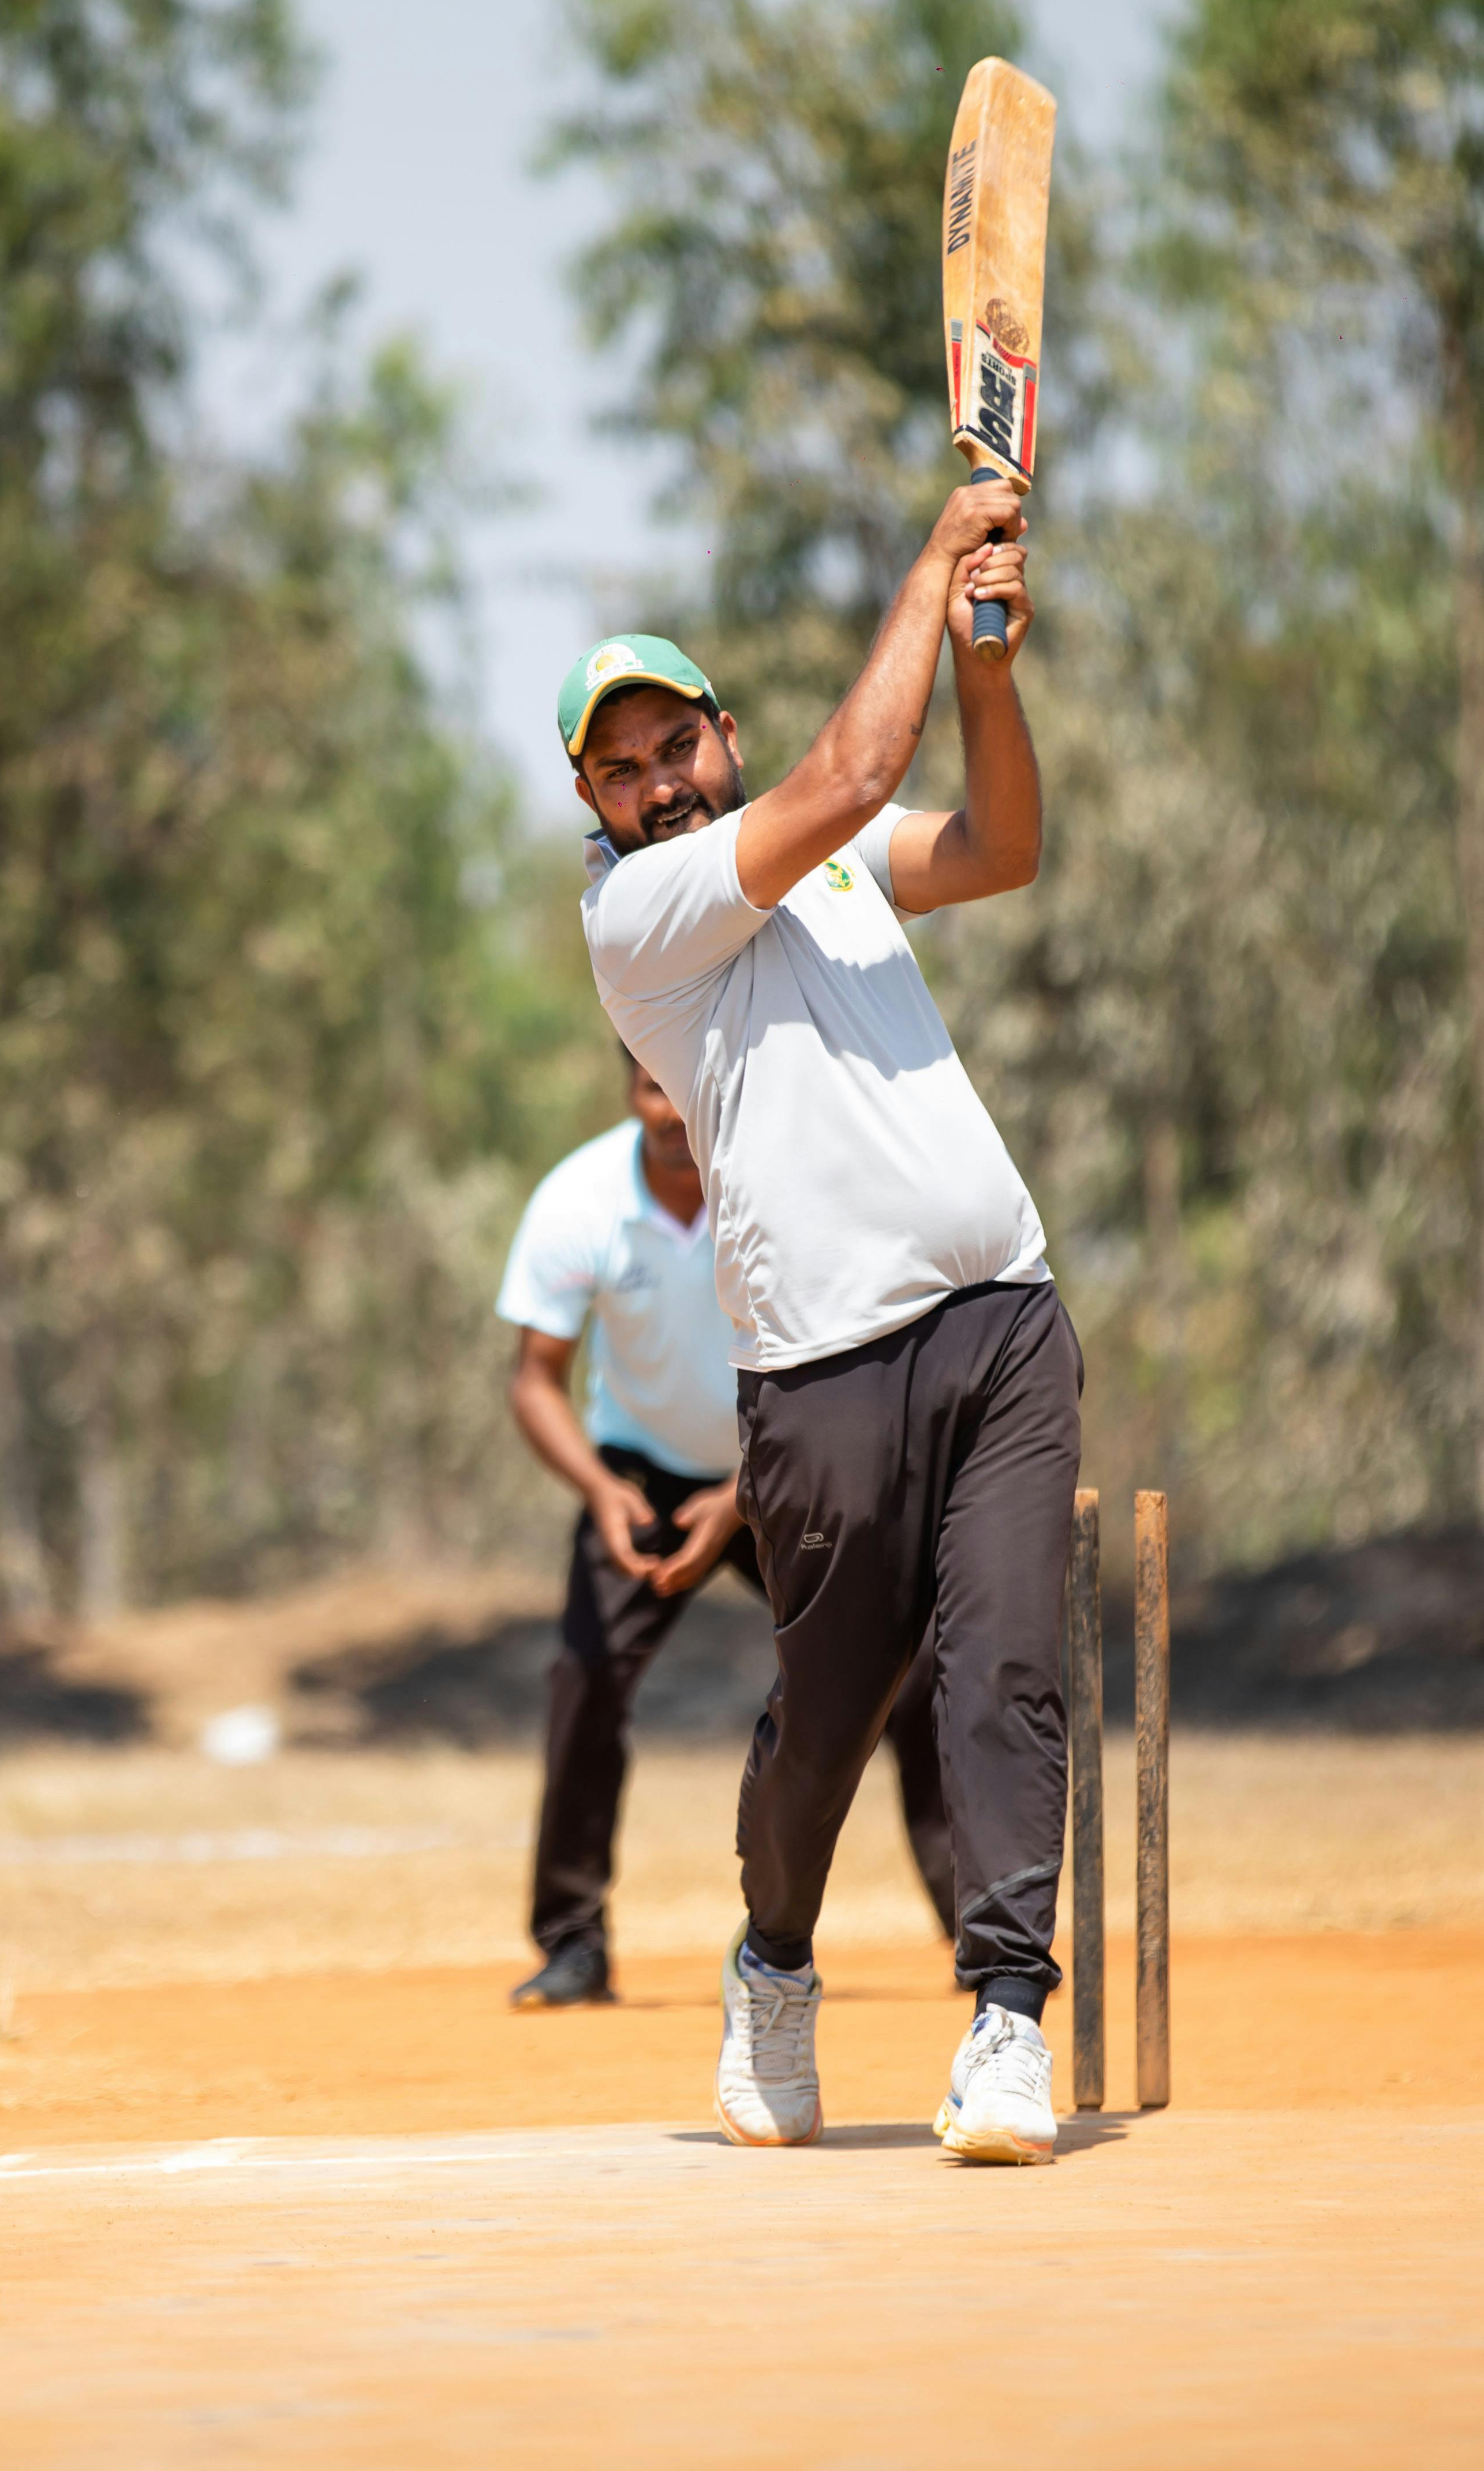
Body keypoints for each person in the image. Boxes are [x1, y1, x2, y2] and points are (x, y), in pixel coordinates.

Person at [560, 472, 1078, 2164]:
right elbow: (851, 768)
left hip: (999, 1318)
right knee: (827, 1713)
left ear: (719, 731)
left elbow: (997, 846)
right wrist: (936, 560)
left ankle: (1004, 2015)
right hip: (818, 1370)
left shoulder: (839, 862)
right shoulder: (639, 916)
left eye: (671, 747)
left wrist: (987, 674)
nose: (651, 782)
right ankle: (771, 1960)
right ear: (589, 796)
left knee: (1001, 1671)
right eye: (614, 766)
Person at [496, 1054, 954, 2010]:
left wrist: (739, 1499)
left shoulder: (776, 1196)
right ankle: (573, 1946)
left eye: (684, 1090)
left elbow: (836, 1367)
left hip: (774, 1464)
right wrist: (599, 1489)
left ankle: (974, 1921)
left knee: (906, 1670)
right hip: (640, 1476)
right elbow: (534, 1378)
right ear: (627, 1089)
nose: (669, 1111)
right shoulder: (578, 1201)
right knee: (584, 1678)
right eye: (650, 1088)